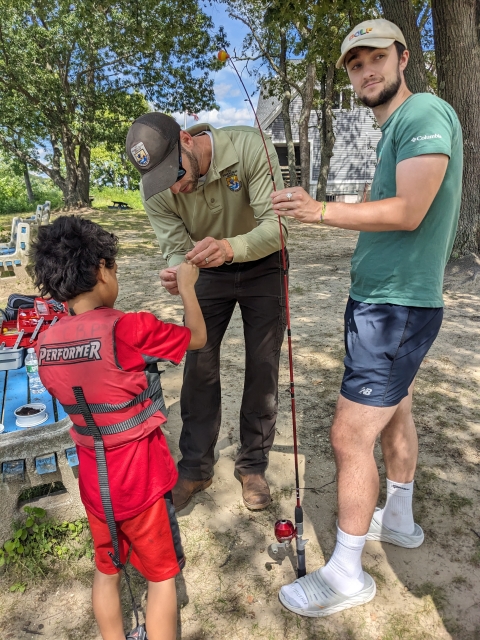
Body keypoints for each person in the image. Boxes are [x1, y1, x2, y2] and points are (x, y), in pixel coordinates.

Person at [271, 18, 463, 617]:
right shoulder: (395, 129)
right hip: (383, 299)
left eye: (376, 57)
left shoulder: (423, 111)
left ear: (403, 57)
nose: (366, 71)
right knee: (394, 407)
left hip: (396, 306)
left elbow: (408, 210)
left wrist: (319, 210)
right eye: (355, 65)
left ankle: (347, 574)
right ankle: (399, 520)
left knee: (349, 435)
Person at [32, 216, 206, 640]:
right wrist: (187, 287)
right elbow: (197, 337)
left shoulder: (45, 344)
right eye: (114, 269)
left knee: (107, 570)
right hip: (141, 482)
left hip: (94, 481)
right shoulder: (128, 327)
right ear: (102, 269)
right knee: (161, 577)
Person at [125, 113, 288, 512]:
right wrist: (179, 271)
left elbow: (279, 227)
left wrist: (231, 248)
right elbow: (175, 246)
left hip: (263, 262)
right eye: (163, 181)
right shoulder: (156, 189)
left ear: (187, 139)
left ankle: (252, 465)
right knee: (198, 363)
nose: (175, 188)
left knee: (262, 365)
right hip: (206, 270)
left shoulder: (251, 146)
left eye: (176, 174)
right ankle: (196, 467)